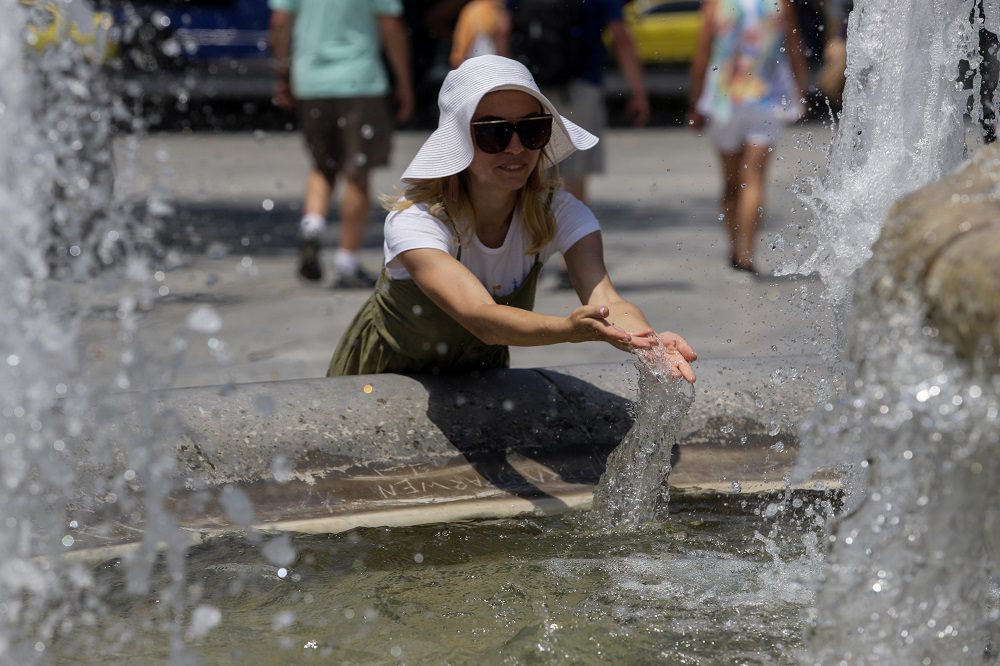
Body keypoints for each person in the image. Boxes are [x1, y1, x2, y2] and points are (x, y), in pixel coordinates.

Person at [327, 55, 696, 382]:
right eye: (494, 133)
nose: (516, 147)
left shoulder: (559, 211)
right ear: (458, 141)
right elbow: (481, 317)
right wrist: (567, 329)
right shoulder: (417, 220)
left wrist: (647, 342)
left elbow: (608, 300)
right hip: (381, 377)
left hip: (480, 378)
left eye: (532, 128)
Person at [499, 0, 649, 288]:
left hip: (533, 86)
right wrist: (638, 91)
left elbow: (503, 29)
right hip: (581, 85)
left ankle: (522, 259)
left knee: (529, 174)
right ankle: (570, 261)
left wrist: (510, 83)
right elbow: (619, 34)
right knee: (574, 176)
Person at [269, 0, 415, 288]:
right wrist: (405, 82)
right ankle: (346, 262)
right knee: (357, 173)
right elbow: (391, 25)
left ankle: (312, 226)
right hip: (359, 81)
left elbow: (280, 22)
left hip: (310, 80)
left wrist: (283, 73)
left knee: (322, 166)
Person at [686, 0, 808, 276]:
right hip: (765, 98)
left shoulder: (716, 5)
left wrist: (694, 103)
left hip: (724, 100)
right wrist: (800, 92)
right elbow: (794, 49)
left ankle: (734, 247)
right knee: (753, 178)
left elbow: (703, 55)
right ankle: (746, 254)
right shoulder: (779, 4)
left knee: (730, 180)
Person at [450, 0, 509, 67]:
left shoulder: (473, 8)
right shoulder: (485, 11)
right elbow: (501, 39)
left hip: (468, 62)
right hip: (481, 63)